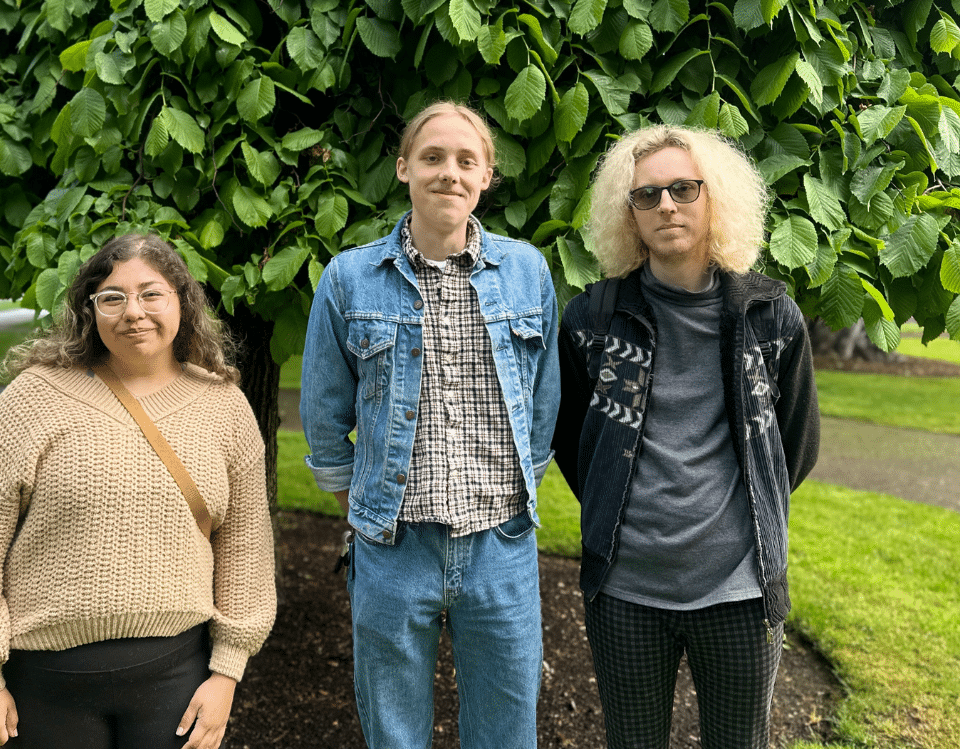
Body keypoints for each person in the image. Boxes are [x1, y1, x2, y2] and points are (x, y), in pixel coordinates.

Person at [0, 233, 276, 749]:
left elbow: (244, 549)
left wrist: (227, 672)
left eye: (151, 293)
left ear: (182, 300)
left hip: (176, 681)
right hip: (46, 687)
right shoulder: (34, 399)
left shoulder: (223, 406)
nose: (132, 312)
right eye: (112, 297)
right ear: (89, 309)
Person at [299, 101, 560, 749]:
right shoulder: (349, 280)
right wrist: (363, 507)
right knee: (394, 734)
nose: (450, 172)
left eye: (466, 160)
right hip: (393, 549)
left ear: (487, 176)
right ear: (403, 168)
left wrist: (517, 487)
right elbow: (324, 417)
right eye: (434, 157)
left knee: (506, 731)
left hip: (500, 545)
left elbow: (544, 403)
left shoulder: (528, 271)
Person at [553, 125, 820, 749]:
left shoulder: (770, 315)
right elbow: (575, 445)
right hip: (624, 593)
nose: (667, 205)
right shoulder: (593, 318)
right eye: (648, 196)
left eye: (683, 188)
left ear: (714, 198)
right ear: (629, 215)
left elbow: (793, 447)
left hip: (740, 591)